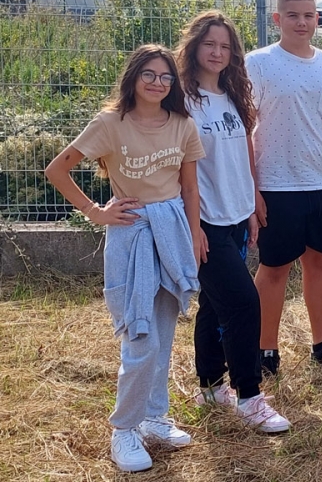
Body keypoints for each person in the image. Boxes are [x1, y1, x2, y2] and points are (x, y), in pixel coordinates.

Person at [44, 45, 205, 472]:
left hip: (172, 230)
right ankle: (124, 428)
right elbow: (56, 170)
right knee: (140, 334)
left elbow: (190, 188)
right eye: (149, 74)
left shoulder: (183, 125)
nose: (158, 83)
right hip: (132, 233)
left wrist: (194, 235)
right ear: (133, 77)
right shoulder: (109, 123)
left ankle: (154, 418)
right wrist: (95, 212)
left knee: (163, 333)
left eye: (166, 76)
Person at [176, 10, 290, 433]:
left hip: (236, 215)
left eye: (225, 46)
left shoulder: (234, 95)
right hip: (204, 220)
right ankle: (250, 397)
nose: (217, 52)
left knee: (215, 303)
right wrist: (192, 226)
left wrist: (252, 202)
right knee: (244, 302)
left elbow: (243, 153)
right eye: (209, 44)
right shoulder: (180, 101)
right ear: (194, 47)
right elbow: (175, 166)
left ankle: (210, 385)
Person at [246, 0, 322, 374]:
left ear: (317, 18)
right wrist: (252, 189)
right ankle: (264, 350)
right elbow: (244, 130)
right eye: (293, 15)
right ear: (277, 19)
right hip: (277, 185)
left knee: (321, 263)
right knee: (274, 268)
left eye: (309, 15)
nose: (302, 22)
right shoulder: (258, 63)